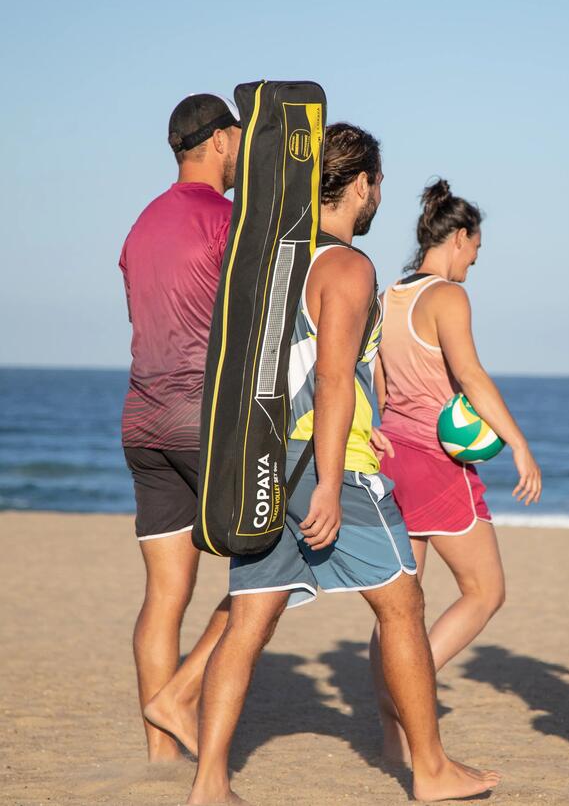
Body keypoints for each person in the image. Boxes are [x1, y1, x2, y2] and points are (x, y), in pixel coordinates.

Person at [186, 126, 501, 804]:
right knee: (403, 605)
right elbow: (332, 379)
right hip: (331, 469)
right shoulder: (349, 267)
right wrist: (332, 479)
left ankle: (209, 782)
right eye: (378, 183)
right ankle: (431, 769)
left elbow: (300, 368)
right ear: (360, 185)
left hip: (270, 460)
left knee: (248, 623)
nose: (379, 194)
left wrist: (366, 424)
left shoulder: (275, 260)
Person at [370, 178, 541, 762]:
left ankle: (394, 741)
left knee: (403, 606)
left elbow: (380, 386)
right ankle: (407, 686)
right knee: (485, 590)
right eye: (475, 248)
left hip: (390, 456)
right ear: (459, 237)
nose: (474, 260)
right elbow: (471, 377)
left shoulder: (390, 294)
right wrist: (518, 443)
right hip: (438, 465)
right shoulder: (447, 296)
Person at [118, 93, 241, 761]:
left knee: (164, 596)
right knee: (270, 568)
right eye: (239, 138)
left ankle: (160, 759)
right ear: (220, 140)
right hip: (206, 423)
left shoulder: (141, 224)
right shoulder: (228, 219)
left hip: (142, 423)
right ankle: (179, 697)